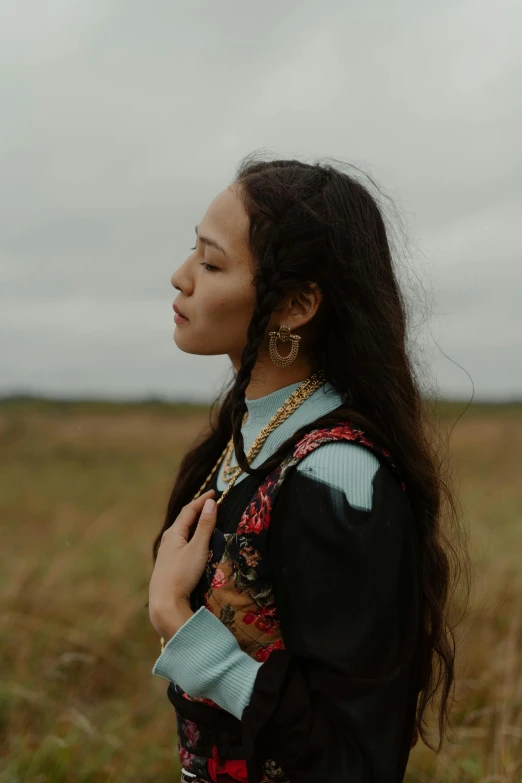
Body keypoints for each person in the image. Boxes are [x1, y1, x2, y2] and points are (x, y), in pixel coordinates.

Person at [147, 154, 469, 783]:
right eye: (194, 253)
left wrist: (179, 624)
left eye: (212, 263)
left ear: (294, 306)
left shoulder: (338, 476)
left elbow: (352, 756)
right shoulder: (247, 435)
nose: (180, 277)